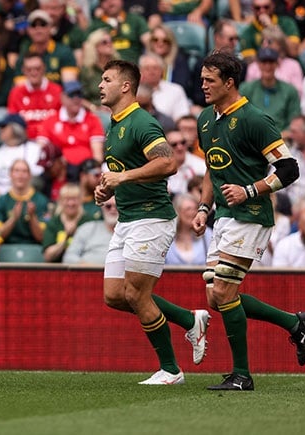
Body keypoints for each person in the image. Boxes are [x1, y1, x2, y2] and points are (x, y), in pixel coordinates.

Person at [192, 51, 305, 391]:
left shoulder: (255, 119)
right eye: (202, 78)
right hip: (225, 217)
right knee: (216, 297)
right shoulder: (205, 119)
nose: (202, 85)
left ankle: (242, 375)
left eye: (209, 80)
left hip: (251, 214)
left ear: (229, 83)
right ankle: (295, 324)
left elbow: (289, 169)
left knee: (225, 291)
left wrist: (249, 190)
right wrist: (204, 208)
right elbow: (210, 169)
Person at [95, 59, 210, 385]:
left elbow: (167, 162)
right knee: (115, 294)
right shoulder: (115, 125)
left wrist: (122, 178)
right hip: (128, 218)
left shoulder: (141, 122)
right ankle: (190, 319)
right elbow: (121, 171)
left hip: (152, 217)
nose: (100, 85)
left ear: (126, 86)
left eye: (107, 79)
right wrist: (105, 188)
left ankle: (171, 370)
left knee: (136, 294)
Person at [239, 47, 301, 134]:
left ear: (277, 64)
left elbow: (294, 120)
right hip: (252, 137)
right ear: (258, 64)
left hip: (281, 138)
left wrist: (283, 135)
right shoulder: (246, 89)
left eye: (271, 62)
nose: (267, 66)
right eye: (264, 62)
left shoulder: (289, 90)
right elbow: (240, 118)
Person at [7, 53, 63, 140]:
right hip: (25, 141)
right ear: (23, 70)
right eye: (29, 69)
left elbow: (63, 121)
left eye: (37, 68)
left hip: (52, 139)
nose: (34, 73)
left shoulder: (57, 91)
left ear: (44, 68)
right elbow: (13, 123)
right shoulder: (16, 93)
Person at [42, 183, 93, 262]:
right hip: (57, 269)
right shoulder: (54, 222)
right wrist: (66, 238)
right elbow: (47, 257)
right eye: (67, 199)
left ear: (80, 200)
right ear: (60, 201)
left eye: (74, 199)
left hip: (83, 267)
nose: (71, 203)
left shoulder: (89, 221)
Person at [63, 196, 118, 265]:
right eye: (108, 206)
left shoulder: (129, 232)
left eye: (117, 206)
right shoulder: (87, 228)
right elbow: (68, 257)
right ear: (102, 207)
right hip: (87, 274)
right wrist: (86, 265)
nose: (113, 209)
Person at [165, 193, 212, 265]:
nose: (193, 212)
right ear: (177, 212)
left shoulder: (207, 234)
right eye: (188, 209)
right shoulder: (167, 236)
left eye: (195, 208)